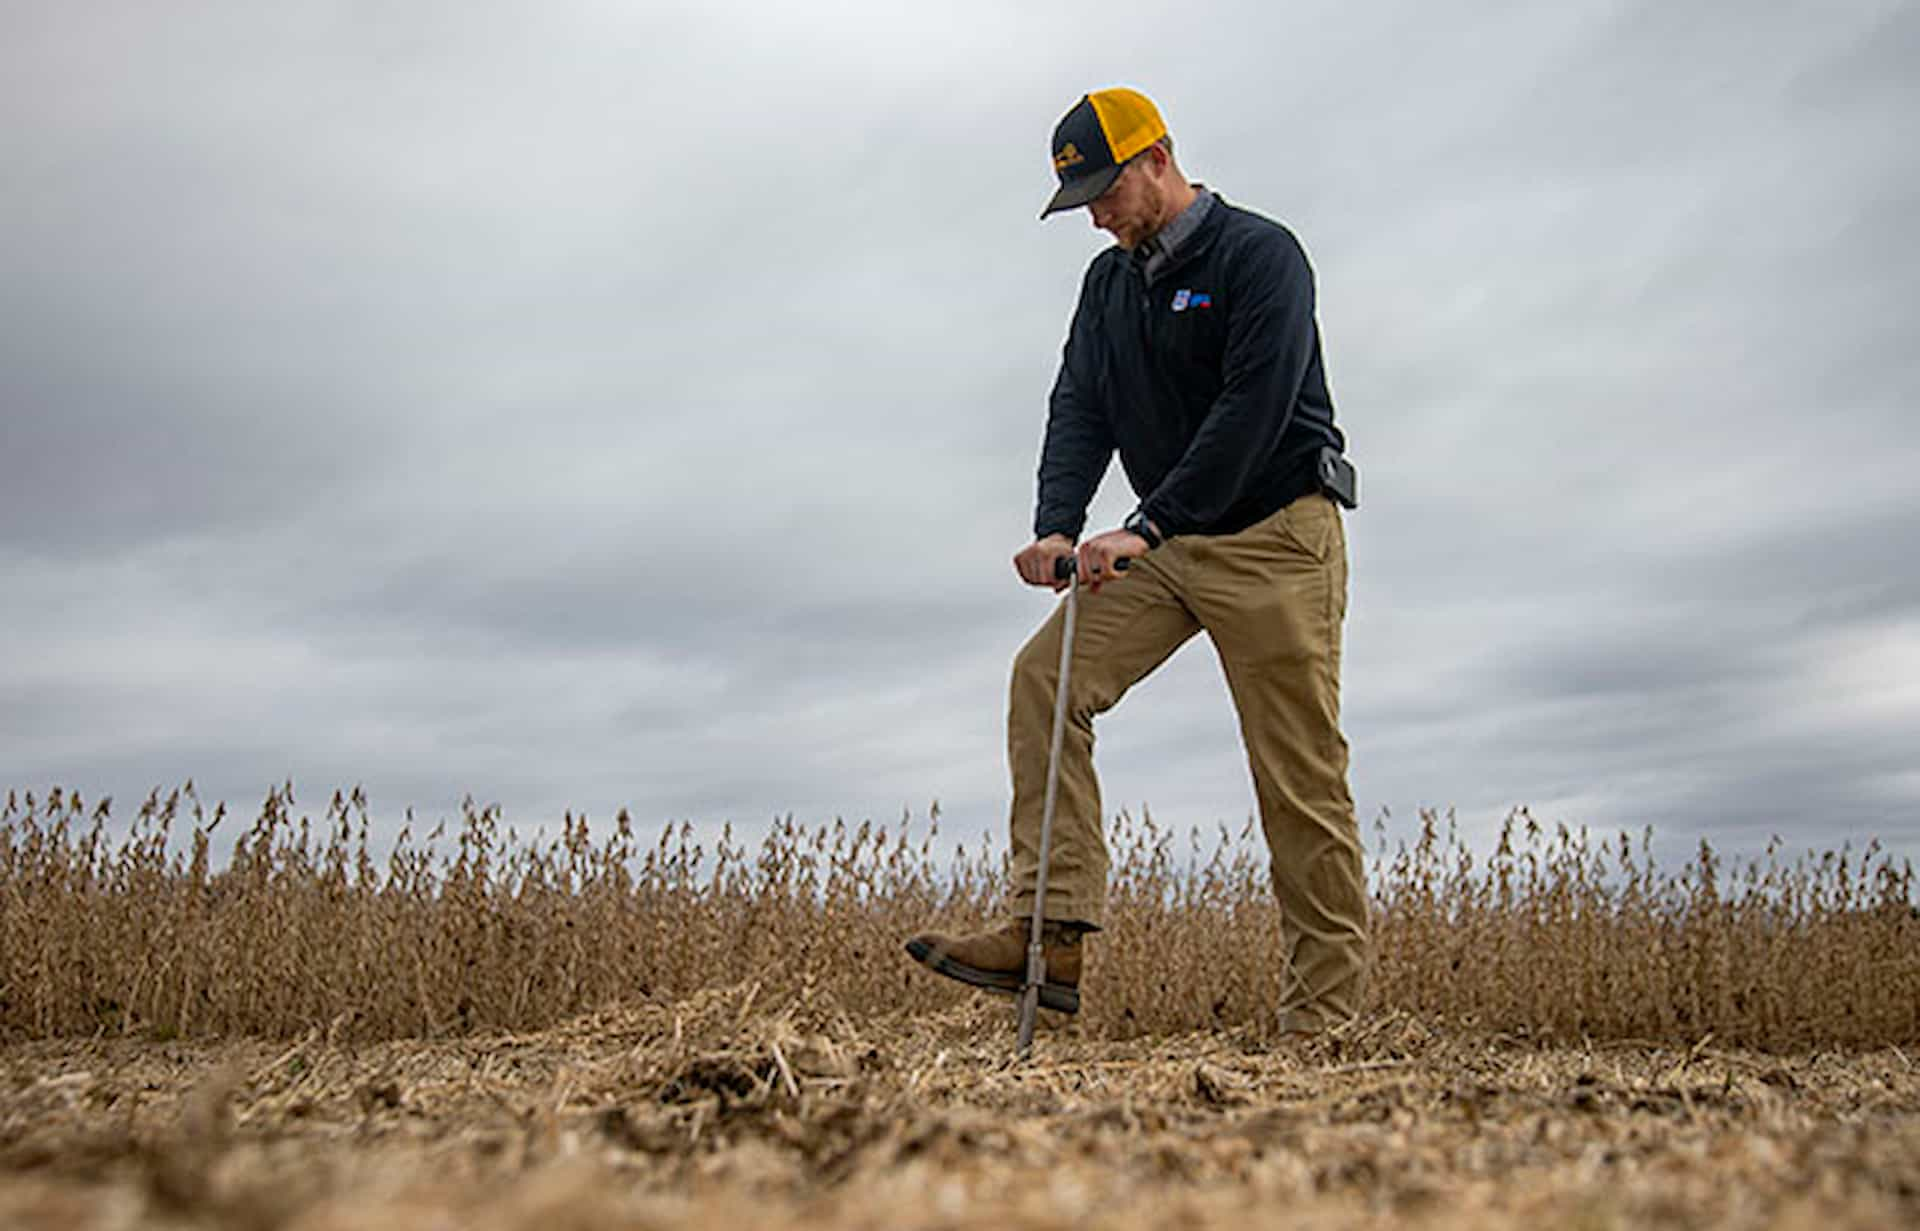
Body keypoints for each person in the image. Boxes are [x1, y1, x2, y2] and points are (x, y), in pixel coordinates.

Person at [904, 87, 1369, 1037]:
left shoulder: (1259, 256)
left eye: (1108, 193)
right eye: (1082, 205)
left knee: (1298, 776)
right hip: (1164, 541)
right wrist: (1058, 522)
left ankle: (1324, 1026)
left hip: (1278, 535)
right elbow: (1081, 402)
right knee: (1047, 676)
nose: (1100, 217)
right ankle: (1049, 934)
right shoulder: (1108, 286)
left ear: (1157, 157)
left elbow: (1255, 406)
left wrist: (1149, 524)